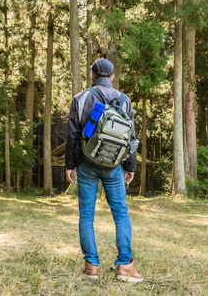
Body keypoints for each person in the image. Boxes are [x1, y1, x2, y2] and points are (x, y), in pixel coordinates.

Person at [65, 58, 143, 282]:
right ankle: (125, 267)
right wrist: (130, 167)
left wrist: (70, 165)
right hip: (114, 166)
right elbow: (131, 137)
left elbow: (72, 136)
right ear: (112, 77)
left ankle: (91, 267)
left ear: (92, 76)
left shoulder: (80, 98)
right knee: (120, 213)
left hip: (86, 164)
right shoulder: (124, 100)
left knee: (86, 216)